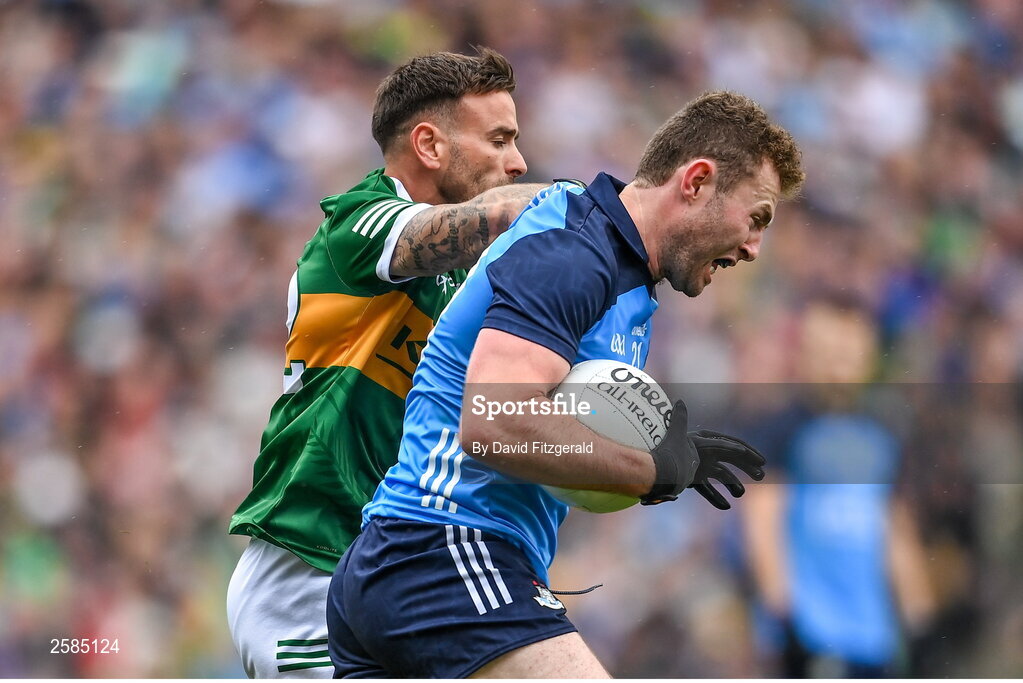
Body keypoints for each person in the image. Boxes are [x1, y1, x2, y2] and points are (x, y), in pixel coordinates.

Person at [327, 91, 806, 678]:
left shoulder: (623, 278)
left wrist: (660, 460)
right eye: (756, 218)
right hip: (441, 550)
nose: (755, 248)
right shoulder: (579, 251)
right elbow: (494, 424)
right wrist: (650, 468)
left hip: (417, 565)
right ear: (697, 181)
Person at [226, 47, 549, 678]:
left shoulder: (475, 282)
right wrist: (587, 209)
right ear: (429, 145)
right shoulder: (355, 224)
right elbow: (464, 227)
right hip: (310, 570)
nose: (519, 161)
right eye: (500, 139)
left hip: (407, 574)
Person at [738, 297, 935, 677]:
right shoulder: (781, 432)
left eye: (848, 350)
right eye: (826, 350)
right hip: (812, 638)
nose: (837, 364)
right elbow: (763, 528)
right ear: (805, 354)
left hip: (875, 640)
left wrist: (919, 618)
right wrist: (785, 621)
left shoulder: (883, 436)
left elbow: (895, 532)